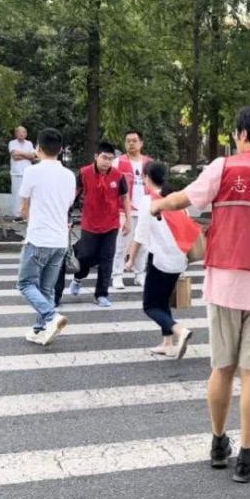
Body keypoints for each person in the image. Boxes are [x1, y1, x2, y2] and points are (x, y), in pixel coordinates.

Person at [148, 105, 250, 484]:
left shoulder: (224, 168)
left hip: (222, 281)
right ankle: (246, 458)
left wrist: (156, 204)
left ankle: (219, 444)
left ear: (241, 134)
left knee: (222, 367)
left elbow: (183, 199)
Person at [126, 162, 196, 358]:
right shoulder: (175, 199)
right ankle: (167, 343)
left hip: (159, 260)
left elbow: (140, 235)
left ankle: (179, 330)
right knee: (163, 301)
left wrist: (130, 259)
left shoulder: (149, 201)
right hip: (178, 260)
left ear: (147, 178)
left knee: (150, 306)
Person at [16, 128, 76, 346]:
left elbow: (23, 208)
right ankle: (40, 329)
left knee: (25, 283)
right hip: (60, 240)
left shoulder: (32, 172)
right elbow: (68, 204)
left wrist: (30, 218)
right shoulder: (69, 175)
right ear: (60, 150)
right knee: (47, 288)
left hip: (38, 238)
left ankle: (51, 316)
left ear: (38, 149)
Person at [67, 142, 132, 307]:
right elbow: (73, 194)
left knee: (106, 259)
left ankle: (101, 294)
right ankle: (78, 277)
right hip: (89, 222)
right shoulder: (84, 173)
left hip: (111, 223)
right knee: (86, 255)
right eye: (104, 157)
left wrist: (129, 220)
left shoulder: (118, 176)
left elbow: (124, 198)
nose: (107, 162)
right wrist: (65, 215)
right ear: (96, 157)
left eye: (110, 159)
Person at [111, 129, 152, 290]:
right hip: (124, 210)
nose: (131, 143)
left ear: (141, 143)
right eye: (128, 141)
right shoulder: (118, 162)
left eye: (134, 140)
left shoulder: (149, 163)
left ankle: (139, 274)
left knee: (144, 245)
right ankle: (117, 275)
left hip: (145, 210)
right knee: (121, 244)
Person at [9, 126, 37, 223]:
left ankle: (26, 215)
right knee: (17, 195)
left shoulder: (29, 143)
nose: (22, 134)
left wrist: (20, 153)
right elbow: (15, 157)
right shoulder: (12, 143)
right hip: (16, 173)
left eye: (24, 132)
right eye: (20, 132)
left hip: (28, 173)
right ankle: (17, 216)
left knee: (27, 194)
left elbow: (33, 156)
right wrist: (27, 155)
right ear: (16, 133)